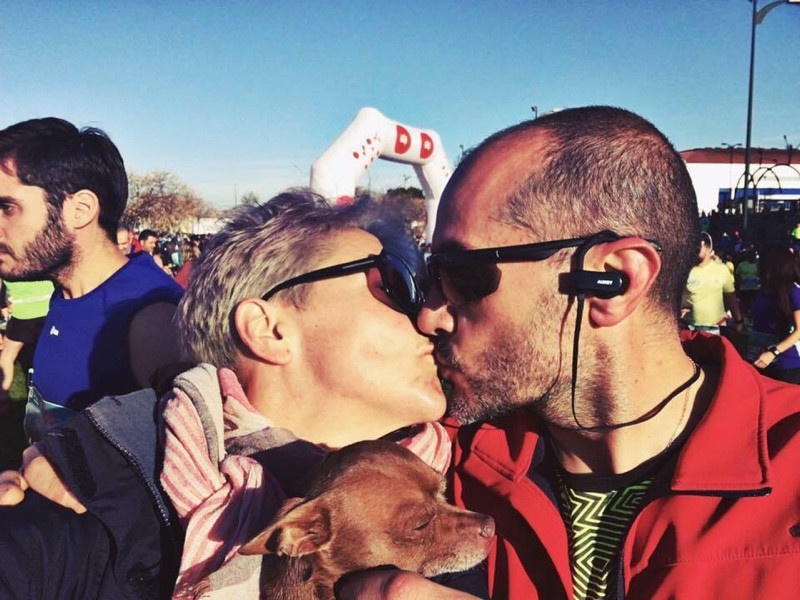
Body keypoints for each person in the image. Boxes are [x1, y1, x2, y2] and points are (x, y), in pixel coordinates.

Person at [342, 106, 800, 598]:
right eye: (431, 275)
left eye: (462, 275)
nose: (430, 316)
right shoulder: (435, 466)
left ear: (614, 280)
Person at [0, 191, 484, 599]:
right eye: (396, 282)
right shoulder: (96, 496)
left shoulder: (474, 474)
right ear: (268, 330)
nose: (432, 316)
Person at [0, 117, 183, 440]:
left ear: (81, 210)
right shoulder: (67, 292)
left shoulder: (152, 320)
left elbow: (185, 459)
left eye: (8, 208)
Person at [749, 246, 800, 383]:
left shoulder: (794, 292)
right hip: (758, 359)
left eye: (761, 262)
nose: (757, 265)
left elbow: (799, 331)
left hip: (784, 364)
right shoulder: (764, 291)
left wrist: (773, 352)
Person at [680, 232, 743, 335]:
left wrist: (738, 320)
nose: (695, 249)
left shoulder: (722, 269)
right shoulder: (683, 270)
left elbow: (731, 297)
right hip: (689, 329)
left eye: (699, 246)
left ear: (709, 249)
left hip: (715, 329)